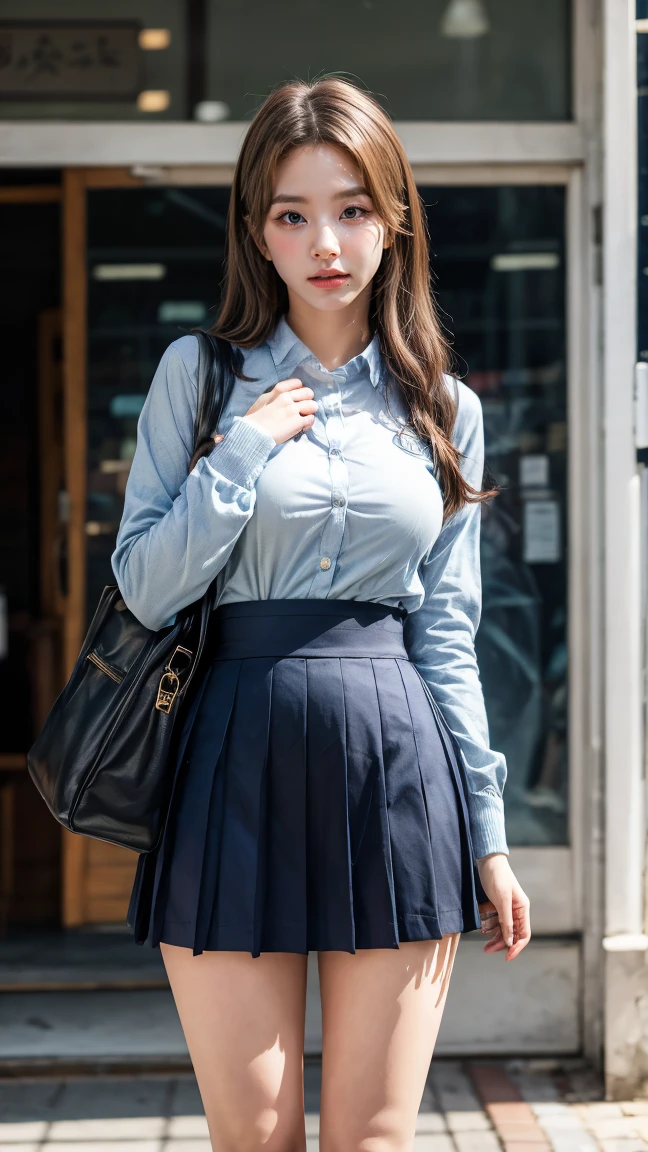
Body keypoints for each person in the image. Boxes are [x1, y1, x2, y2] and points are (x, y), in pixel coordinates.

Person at [111, 76, 531, 1152]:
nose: (325, 241)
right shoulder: (199, 381)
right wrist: (243, 453)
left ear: (393, 220)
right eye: (292, 214)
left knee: (375, 1139)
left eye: (350, 208)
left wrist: (489, 838)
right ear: (258, 232)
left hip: (394, 770)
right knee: (255, 1139)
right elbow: (147, 587)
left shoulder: (445, 406)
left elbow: (448, 631)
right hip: (229, 761)